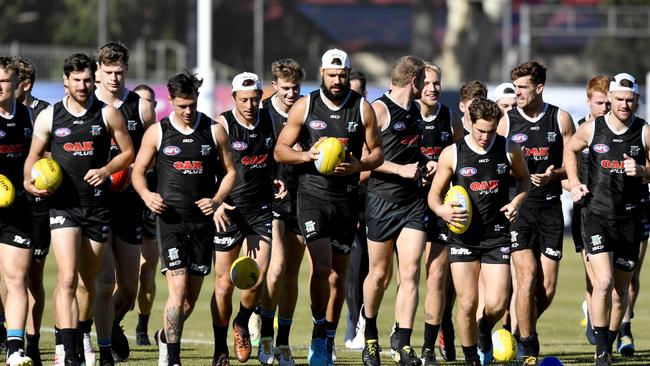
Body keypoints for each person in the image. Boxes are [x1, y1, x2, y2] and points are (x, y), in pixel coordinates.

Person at [23, 53, 134, 366]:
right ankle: (68, 352)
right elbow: (32, 157)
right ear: (65, 81)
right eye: (77, 80)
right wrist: (29, 181)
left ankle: (89, 340)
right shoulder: (50, 116)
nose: (83, 85)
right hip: (63, 207)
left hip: (97, 207)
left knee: (90, 283)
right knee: (68, 278)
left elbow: (128, 152)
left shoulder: (108, 114)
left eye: (87, 79)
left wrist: (106, 168)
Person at [274, 48, 383, 365]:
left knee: (337, 277)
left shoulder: (362, 109)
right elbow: (281, 151)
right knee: (320, 268)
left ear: (349, 74)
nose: (337, 80)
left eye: (343, 75)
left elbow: (377, 154)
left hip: (346, 200)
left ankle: (326, 337)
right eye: (332, 75)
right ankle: (320, 330)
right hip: (311, 198)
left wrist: (357, 166)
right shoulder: (305, 106)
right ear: (322, 73)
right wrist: (308, 156)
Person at [131, 70, 236, 366]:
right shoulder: (158, 132)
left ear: (198, 99)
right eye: (181, 106)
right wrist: (147, 195)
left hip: (202, 224)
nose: (187, 111)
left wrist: (216, 200)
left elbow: (230, 172)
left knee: (188, 301)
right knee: (176, 293)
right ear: (171, 101)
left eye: (191, 104)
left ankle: (165, 337)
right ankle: (173, 359)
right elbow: (138, 172)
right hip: (171, 221)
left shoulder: (214, 131)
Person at [429, 97, 529, 366]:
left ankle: (484, 329)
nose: (485, 136)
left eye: (491, 130)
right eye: (480, 130)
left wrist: (516, 202)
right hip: (462, 236)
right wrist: (443, 211)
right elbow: (433, 197)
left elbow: (524, 180)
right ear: (470, 123)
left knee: (497, 303)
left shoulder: (509, 148)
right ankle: (472, 357)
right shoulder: (453, 153)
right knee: (468, 302)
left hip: (496, 235)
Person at [565, 73, 649, 366]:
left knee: (620, 291)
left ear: (636, 101)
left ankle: (608, 342)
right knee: (603, 282)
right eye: (619, 99)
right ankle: (601, 351)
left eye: (630, 100)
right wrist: (574, 182)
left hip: (631, 219)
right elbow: (570, 149)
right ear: (610, 99)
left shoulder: (644, 131)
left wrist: (643, 172)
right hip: (597, 216)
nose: (624, 104)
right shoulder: (591, 129)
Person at [497, 61, 574, 365]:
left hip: (551, 208)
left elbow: (573, 166)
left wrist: (555, 174)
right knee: (526, 278)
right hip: (519, 210)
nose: (517, 93)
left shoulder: (561, 119)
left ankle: (516, 331)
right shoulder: (506, 121)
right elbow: (495, 164)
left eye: (522, 88)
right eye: (514, 87)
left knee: (546, 289)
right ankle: (529, 349)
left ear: (539, 88)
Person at [210, 71, 281, 366]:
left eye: (255, 99)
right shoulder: (223, 125)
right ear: (234, 98)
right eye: (244, 100)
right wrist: (216, 203)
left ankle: (242, 322)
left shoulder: (269, 120)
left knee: (255, 278)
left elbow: (275, 157)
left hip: (260, 209)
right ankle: (219, 347)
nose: (250, 105)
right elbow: (207, 168)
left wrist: (278, 179)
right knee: (224, 285)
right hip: (230, 211)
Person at [359, 55, 426, 366]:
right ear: (414, 81)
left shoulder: (417, 110)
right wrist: (400, 170)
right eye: (423, 81)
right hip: (381, 200)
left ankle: (403, 341)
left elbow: (415, 156)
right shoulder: (378, 109)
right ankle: (370, 335)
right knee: (379, 274)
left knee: (411, 271)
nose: (425, 87)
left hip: (412, 202)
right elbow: (363, 158)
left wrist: (426, 168)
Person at [92, 41, 156, 365]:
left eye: (119, 72)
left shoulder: (140, 106)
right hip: (95, 205)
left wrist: (135, 170)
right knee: (96, 281)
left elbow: (151, 152)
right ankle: (85, 338)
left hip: (130, 202)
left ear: (126, 70)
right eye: (108, 72)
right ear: (98, 71)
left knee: (130, 288)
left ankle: (110, 323)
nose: (114, 78)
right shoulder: (89, 106)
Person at [256, 59, 306, 366]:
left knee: (291, 274)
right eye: (286, 88)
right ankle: (264, 336)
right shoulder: (262, 113)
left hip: (303, 198)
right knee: (274, 269)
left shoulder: (307, 111)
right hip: (270, 198)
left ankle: (283, 342)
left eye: (296, 88)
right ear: (274, 86)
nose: (291, 94)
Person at [435, 79, 488, 362]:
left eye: (481, 102)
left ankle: (481, 337)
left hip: (486, 222)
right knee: (448, 284)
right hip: (453, 217)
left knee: (484, 288)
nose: (476, 109)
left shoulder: (491, 133)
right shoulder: (454, 131)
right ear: (462, 107)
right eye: (472, 105)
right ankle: (445, 328)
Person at [417, 63, 463, 365]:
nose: (433, 88)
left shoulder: (448, 117)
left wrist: (443, 168)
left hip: (439, 206)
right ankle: (399, 333)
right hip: (404, 203)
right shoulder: (403, 115)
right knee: (398, 275)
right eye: (428, 83)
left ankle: (431, 342)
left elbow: (462, 153)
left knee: (437, 276)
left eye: (437, 83)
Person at [13, 55, 52, 365]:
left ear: (22, 85)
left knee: (34, 277)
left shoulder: (41, 115)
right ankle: (10, 334)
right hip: (7, 205)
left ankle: (33, 341)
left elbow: (52, 154)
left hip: (36, 205)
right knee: (11, 276)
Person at [0, 56, 36, 366]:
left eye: (2, 81)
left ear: (16, 84)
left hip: (19, 210)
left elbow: (38, 157)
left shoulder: (27, 116)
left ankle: (15, 348)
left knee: (17, 278)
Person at [571, 76, 610, 347]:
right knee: (596, 277)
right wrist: (572, 184)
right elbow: (566, 163)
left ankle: (613, 324)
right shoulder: (579, 131)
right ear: (589, 102)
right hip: (587, 211)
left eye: (609, 103)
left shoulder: (624, 130)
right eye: (600, 103)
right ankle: (600, 333)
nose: (606, 108)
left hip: (619, 213)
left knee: (613, 279)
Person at [344, 69, 371, 351]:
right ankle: (353, 323)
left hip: (373, 203)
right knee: (353, 267)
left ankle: (365, 319)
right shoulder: (337, 124)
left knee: (377, 271)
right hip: (347, 202)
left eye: (358, 91)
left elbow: (376, 158)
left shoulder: (370, 119)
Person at [131, 84, 159, 347]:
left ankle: (142, 325)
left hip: (150, 209)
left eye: (149, 102)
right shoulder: (123, 131)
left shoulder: (160, 136)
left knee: (147, 269)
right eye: (140, 101)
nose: (145, 106)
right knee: (125, 274)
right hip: (125, 206)